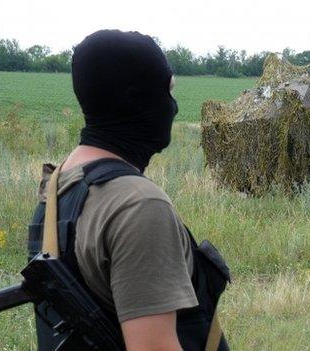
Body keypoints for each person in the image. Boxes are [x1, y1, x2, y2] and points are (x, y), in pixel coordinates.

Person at [29, 30, 228, 350]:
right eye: (168, 92)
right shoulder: (138, 205)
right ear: (138, 100)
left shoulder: (59, 186)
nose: (173, 107)